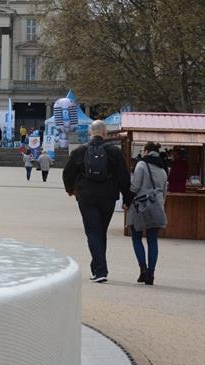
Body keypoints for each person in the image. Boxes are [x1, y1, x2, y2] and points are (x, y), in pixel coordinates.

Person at [62, 120, 133, 283]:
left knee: (93, 232)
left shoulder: (80, 151)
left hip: (86, 196)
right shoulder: (114, 152)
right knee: (101, 231)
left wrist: (70, 190)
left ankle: (100, 270)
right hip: (108, 196)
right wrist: (127, 198)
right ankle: (99, 269)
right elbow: (123, 176)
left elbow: (67, 173)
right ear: (105, 133)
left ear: (90, 133)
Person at [128, 142, 168, 285]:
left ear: (146, 151)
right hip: (156, 207)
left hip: (140, 206)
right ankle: (151, 273)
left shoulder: (141, 165)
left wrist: (127, 200)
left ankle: (143, 270)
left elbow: (135, 186)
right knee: (152, 240)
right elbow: (164, 192)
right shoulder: (163, 170)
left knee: (136, 238)